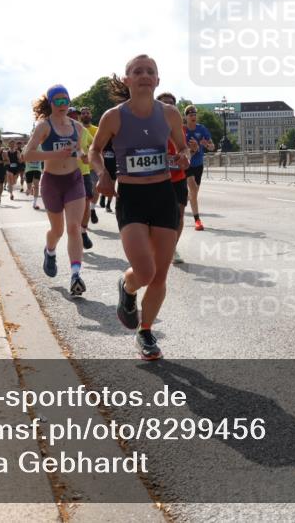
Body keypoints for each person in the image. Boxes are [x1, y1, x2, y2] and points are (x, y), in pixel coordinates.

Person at [90, 57, 190, 360]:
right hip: (131, 196)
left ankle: (145, 332)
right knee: (144, 272)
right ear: (127, 80)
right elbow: (94, 151)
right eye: (138, 72)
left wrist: (184, 155)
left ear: (157, 80)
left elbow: (182, 146)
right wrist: (103, 174)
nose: (144, 75)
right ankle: (128, 286)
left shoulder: (170, 114)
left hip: (163, 194)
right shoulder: (114, 117)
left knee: (160, 274)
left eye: (150, 72)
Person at [23, 85, 88, 296]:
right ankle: (49, 251)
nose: (63, 105)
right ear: (50, 104)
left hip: (73, 180)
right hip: (51, 182)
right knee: (57, 231)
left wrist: (84, 156)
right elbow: (27, 154)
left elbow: (80, 152)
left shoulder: (77, 127)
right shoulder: (44, 127)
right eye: (58, 101)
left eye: (66, 101)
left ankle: (75, 274)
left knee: (73, 227)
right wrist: (54, 154)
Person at [158, 92, 189, 264]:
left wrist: (189, 152)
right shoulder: (151, 127)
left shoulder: (180, 128)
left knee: (179, 215)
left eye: (172, 103)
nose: (169, 106)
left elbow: (187, 150)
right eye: (164, 104)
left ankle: (172, 248)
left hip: (178, 177)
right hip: (158, 179)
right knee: (159, 216)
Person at [183, 104, 214, 231]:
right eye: (191, 115)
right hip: (186, 164)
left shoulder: (202, 129)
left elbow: (212, 147)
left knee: (193, 194)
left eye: (195, 114)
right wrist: (192, 149)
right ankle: (197, 220)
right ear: (186, 117)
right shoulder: (182, 130)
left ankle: (182, 201)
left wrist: (207, 144)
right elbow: (181, 150)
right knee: (194, 190)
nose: (193, 117)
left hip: (198, 164)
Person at [69, 107, 95, 249]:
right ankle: (73, 232)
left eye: (75, 116)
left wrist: (89, 155)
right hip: (66, 173)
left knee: (86, 203)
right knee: (71, 207)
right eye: (70, 116)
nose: (73, 118)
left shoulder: (84, 131)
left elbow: (94, 147)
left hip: (84, 173)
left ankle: (83, 231)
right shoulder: (61, 133)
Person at [79, 107, 100, 225]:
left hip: (94, 165)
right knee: (85, 193)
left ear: (91, 115)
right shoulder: (77, 129)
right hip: (82, 167)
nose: (85, 115)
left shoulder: (97, 129)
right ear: (80, 116)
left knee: (96, 189)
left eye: (87, 113)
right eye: (83, 113)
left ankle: (92, 209)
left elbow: (99, 148)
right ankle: (85, 212)